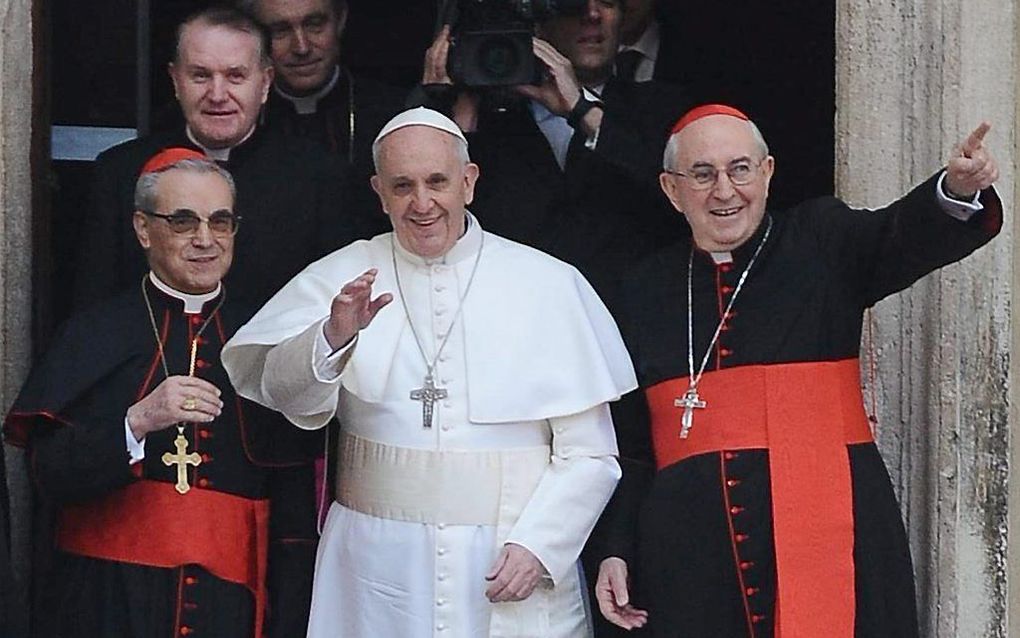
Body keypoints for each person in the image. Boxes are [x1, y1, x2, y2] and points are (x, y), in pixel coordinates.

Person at [221, 107, 635, 637]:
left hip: (509, 560)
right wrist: (333, 336)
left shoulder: (549, 284)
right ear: (379, 192)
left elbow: (592, 453)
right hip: (375, 573)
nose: (422, 204)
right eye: (402, 186)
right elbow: (281, 391)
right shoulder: (344, 275)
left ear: (469, 181)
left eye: (438, 182)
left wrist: (542, 545)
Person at [592, 104, 1002, 638]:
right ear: (672, 190)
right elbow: (628, 441)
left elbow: (899, 234)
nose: (724, 191)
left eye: (740, 169)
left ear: (766, 174)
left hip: (834, 528)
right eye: (702, 174)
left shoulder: (821, 241)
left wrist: (955, 189)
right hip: (690, 560)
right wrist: (615, 547)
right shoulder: (642, 288)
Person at [5, 149, 321, 638]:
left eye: (220, 222)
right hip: (106, 603)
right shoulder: (94, 333)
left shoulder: (264, 338)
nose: (205, 240)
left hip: (230, 610)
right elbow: (48, 475)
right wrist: (136, 423)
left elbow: (295, 518)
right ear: (143, 229)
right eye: (182, 221)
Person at [73, 5, 362, 312]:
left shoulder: (320, 177)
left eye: (235, 76)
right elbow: (93, 311)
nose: (217, 94)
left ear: (264, 83)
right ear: (175, 80)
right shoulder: (119, 173)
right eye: (200, 75)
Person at [416, 0, 690, 315]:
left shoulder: (659, 107)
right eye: (571, 5)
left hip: (633, 323)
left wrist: (584, 112)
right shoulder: (487, 123)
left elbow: (680, 199)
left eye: (608, 3)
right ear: (538, 22)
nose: (592, 15)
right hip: (512, 320)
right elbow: (432, 216)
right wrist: (446, 110)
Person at [238, 0, 407, 234]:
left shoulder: (394, 113)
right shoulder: (237, 120)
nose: (301, 47)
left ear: (340, 20)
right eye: (280, 31)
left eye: (315, 25)